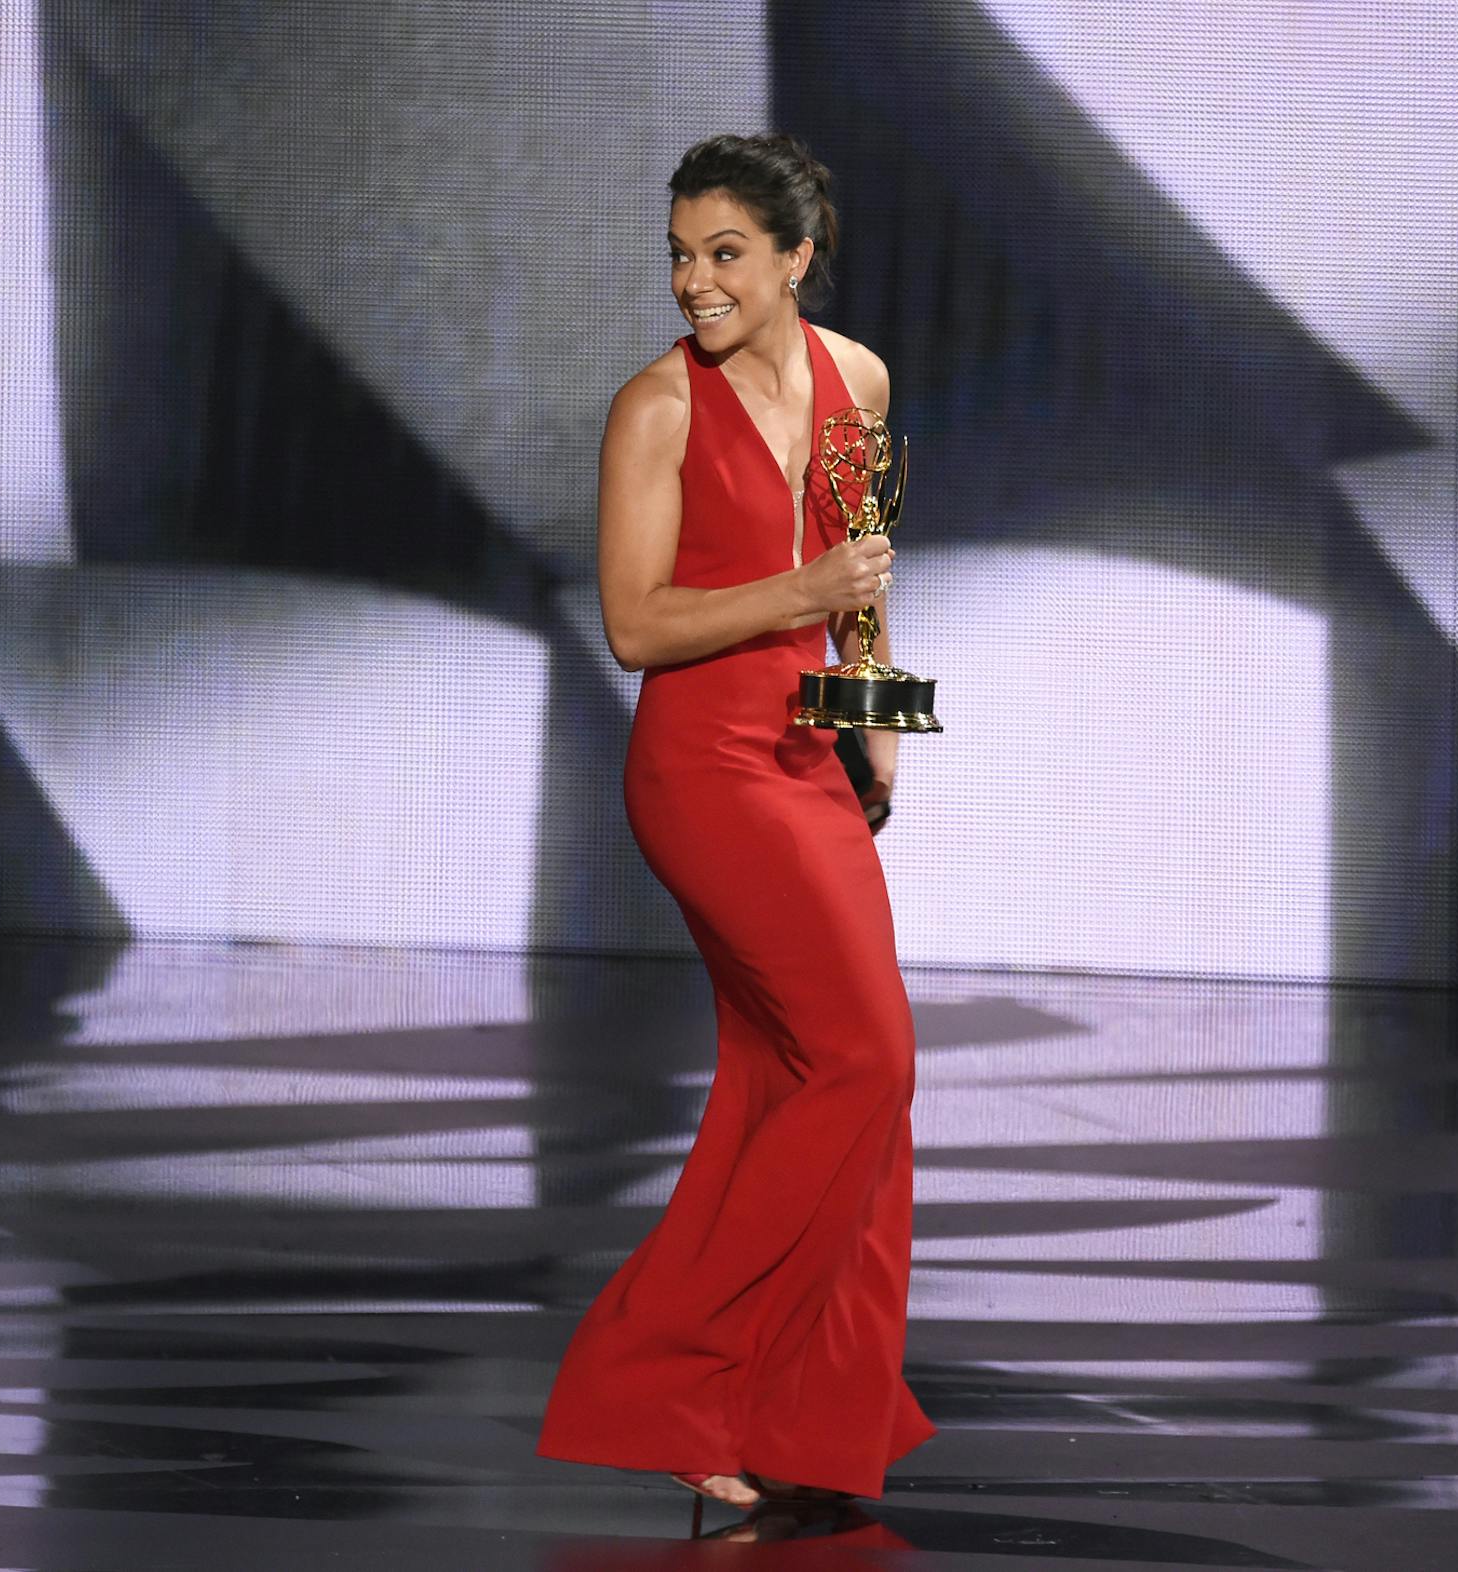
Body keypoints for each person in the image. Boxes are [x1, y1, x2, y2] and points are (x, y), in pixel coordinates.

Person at [532, 133, 937, 1510]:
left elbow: (866, 577)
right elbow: (635, 627)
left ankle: (796, 1412)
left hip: (815, 751)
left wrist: (879, 724)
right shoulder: (653, 408)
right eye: (678, 255)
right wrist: (801, 591)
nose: (692, 282)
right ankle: (669, 1374)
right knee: (866, 1059)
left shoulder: (859, 379)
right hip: (704, 767)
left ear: (793, 257)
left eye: (722, 255)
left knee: (813, 1082)